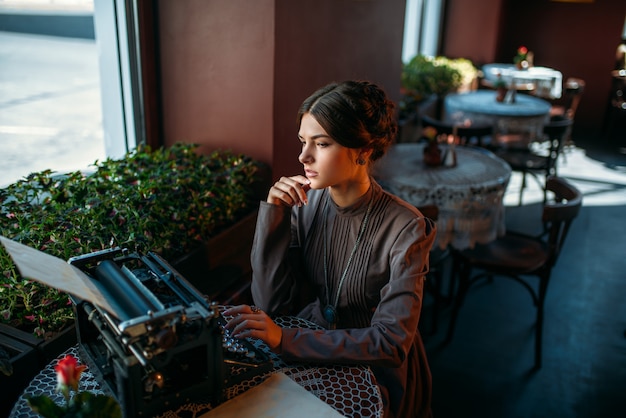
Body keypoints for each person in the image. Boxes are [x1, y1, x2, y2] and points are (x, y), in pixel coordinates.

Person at [224, 80, 436, 418]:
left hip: (373, 370)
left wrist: (286, 339)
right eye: (303, 141)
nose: (303, 156)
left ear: (363, 151)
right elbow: (271, 304)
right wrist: (275, 215)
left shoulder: (407, 227)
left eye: (321, 143)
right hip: (310, 344)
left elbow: (391, 343)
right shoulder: (307, 204)